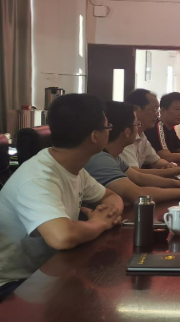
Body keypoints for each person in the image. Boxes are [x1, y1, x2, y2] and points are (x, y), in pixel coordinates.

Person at [0, 94, 124, 302]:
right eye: (108, 126)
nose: (110, 130)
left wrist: (108, 213)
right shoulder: (38, 178)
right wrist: (100, 223)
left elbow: (111, 196)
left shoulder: (72, 167)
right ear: (95, 136)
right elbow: (62, 237)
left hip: (49, 269)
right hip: (14, 284)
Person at [84, 101, 180, 204]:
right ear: (127, 132)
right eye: (137, 125)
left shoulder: (111, 156)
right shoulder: (100, 158)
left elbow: (139, 177)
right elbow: (137, 194)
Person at [122, 89, 180, 177]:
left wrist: (169, 165)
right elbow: (134, 174)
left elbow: (157, 160)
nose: (157, 114)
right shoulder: (124, 136)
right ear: (136, 109)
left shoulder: (142, 135)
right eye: (154, 109)